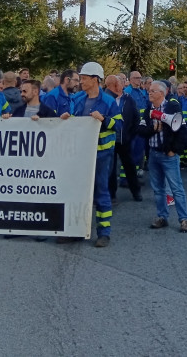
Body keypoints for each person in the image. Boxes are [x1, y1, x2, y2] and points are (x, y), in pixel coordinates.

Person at [70, 62, 120, 247]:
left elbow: (119, 125)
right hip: (80, 153)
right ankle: (75, 230)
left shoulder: (108, 101)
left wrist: (104, 120)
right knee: (78, 192)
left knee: (101, 191)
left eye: (83, 78)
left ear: (94, 79)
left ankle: (103, 232)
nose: (80, 81)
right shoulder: (77, 98)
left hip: (101, 154)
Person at [143, 80, 187, 233]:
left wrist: (174, 150)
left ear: (161, 93)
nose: (149, 93)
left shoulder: (172, 107)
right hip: (153, 153)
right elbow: (140, 130)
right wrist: (153, 129)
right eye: (149, 90)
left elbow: (182, 131)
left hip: (168, 154)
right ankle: (162, 216)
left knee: (176, 188)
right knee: (158, 189)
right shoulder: (148, 109)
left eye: (152, 91)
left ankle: (184, 219)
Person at [104, 74, 143, 203]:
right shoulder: (106, 99)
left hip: (125, 140)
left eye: (121, 83)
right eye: (118, 83)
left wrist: (130, 136)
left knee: (130, 166)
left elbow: (136, 118)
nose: (120, 86)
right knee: (111, 168)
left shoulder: (128, 99)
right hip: (110, 139)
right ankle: (111, 194)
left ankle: (136, 191)